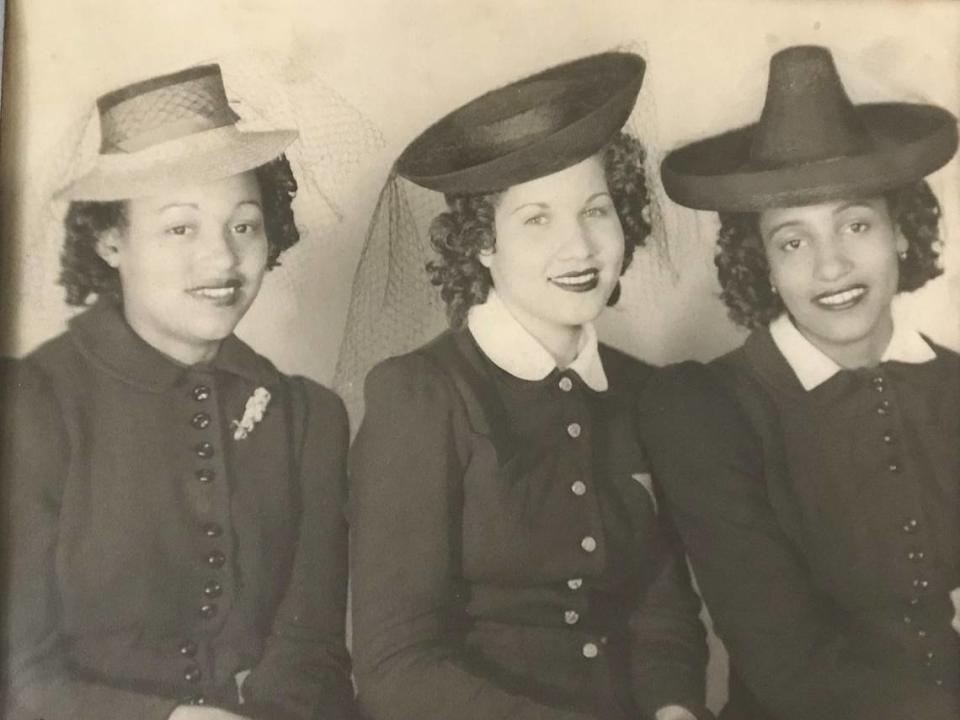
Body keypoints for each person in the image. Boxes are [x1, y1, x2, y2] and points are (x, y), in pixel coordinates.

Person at [348, 52, 711, 720]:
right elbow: (395, 665)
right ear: (482, 242)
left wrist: (675, 709)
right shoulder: (423, 395)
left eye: (597, 211)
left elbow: (662, 615)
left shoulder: (643, 395)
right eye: (537, 219)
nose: (578, 247)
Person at [2, 64, 359, 720]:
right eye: (180, 228)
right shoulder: (30, 406)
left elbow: (312, 653)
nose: (222, 260)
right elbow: (16, 677)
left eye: (244, 225)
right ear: (111, 239)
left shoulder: (308, 417)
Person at [640, 45, 960, 720]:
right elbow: (788, 665)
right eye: (793, 240)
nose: (831, 265)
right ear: (763, 264)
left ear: (902, 233)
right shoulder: (705, 409)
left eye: (856, 224)